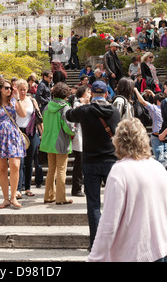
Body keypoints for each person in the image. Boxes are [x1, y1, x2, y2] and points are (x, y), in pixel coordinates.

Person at [88, 118, 167, 262]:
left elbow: (108, 225)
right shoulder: (158, 168)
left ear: (118, 141)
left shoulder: (120, 171)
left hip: (134, 254)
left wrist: (94, 258)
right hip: (161, 249)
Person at [66, 80, 120, 248]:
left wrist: (81, 103)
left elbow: (68, 115)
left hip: (90, 162)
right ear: (106, 94)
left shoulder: (84, 110)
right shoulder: (114, 111)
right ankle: (114, 242)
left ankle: (96, 243)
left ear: (92, 94)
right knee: (115, 203)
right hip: (111, 160)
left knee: (93, 204)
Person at [0, 78, 27, 210]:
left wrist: (17, 98)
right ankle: (6, 199)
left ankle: (13, 196)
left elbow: (23, 115)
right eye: (6, 88)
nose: (9, 90)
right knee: (2, 169)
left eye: (10, 88)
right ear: (0, 89)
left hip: (13, 135)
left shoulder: (14, 101)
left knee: (15, 166)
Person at [40, 82, 76, 205]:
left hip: (49, 142)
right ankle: (61, 197)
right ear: (66, 94)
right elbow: (68, 127)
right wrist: (74, 130)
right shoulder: (65, 108)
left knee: (51, 169)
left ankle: (49, 196)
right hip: (61, 142)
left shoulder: (47, 107)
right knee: (61, 169)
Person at [15, 79, 43, 199]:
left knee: (29, 161)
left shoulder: (32, 100)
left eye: (24, 89)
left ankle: (27, 187)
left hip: (31, 132)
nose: (22, 92)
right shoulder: (14, 101)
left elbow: (38, 116)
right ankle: (18, 188)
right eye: (20, 89)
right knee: (19, 162)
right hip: (18, 132)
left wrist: (43, 133)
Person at [134, 87, 166, 166]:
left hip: (164, 136)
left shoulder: (163, 108)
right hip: (157, 138)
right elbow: (142, 101)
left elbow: (158, 99)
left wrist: (152, 93)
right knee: (161, 161)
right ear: (159, 102)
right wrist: (136, 90)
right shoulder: (154, 108)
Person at [71, 85, 91, 197]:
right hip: (80, 139)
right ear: (82, 93)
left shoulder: (89, 104)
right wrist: (84, 104)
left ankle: (84, 187)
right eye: (88, 92)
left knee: (85, 165)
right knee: (79, 165)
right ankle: (76, 188)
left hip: (87, 139)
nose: (90, 94)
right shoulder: (77, 104)